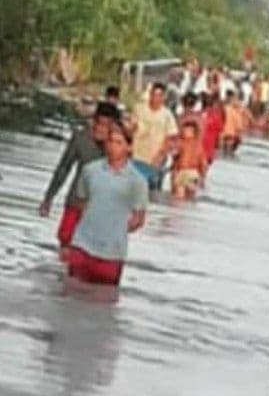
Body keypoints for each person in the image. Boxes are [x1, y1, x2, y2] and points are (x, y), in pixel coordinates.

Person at [64, 122, 149, 287]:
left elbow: (139, 219)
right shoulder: (90, 171)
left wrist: (115, 227)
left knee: (104, 302)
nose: (113, 147)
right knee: (71, 295)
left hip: (112, 253)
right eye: (110, 141)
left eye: (119, 143)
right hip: (82, 246)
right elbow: (81, 202)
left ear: (129, 148)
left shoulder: (137, 181)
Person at [39, 102, 122, 258]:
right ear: (93, 121)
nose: (100, 129)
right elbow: (63, 169)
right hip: (76, 202)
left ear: (114, 127)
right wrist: (48, 198)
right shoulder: (80, 139)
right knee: (66, 246)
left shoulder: (118, 145)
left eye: (106, 126)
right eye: (98, 123)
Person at [130, 82, 178, 191]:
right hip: (137, 155)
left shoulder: (167, 115)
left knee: (151, 189)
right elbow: (132, 128)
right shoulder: (139, 108)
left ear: (163, 97)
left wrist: (160, 157)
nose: (155, 98)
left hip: (155, 158)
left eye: (159, 95)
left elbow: (170, 138)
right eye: (153, 94)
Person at [171, 122, 207, 200]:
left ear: (193, 132)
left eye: (187, 131)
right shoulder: (199, 146)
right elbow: (203, 163)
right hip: (193, 173)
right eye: (185, 130)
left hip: (184, 171)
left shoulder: (181, 143)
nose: (185, 132)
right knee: (190, 197)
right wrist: (203, 177)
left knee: (179, 198)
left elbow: (174, 156)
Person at [200, 94, 225, 165]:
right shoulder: (216, 117)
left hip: (197, 149)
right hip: (209, 149)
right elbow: (220, 135)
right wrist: (219, 148)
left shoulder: (197, 115)